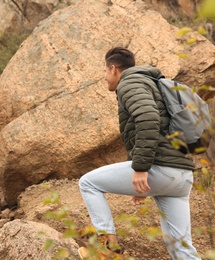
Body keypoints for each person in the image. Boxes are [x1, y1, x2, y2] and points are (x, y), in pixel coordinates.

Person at [78, 47, 201, 259]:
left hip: (160, 168)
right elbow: (140, 133)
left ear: (113, 69)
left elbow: (148, 119)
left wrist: (141, 169)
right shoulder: (151, 83)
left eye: (105, 71)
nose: (105, 77)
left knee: (88, 183)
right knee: (180, 248)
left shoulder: (129, 84)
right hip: (180, 175)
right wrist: (138, 174)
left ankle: (108, 249)